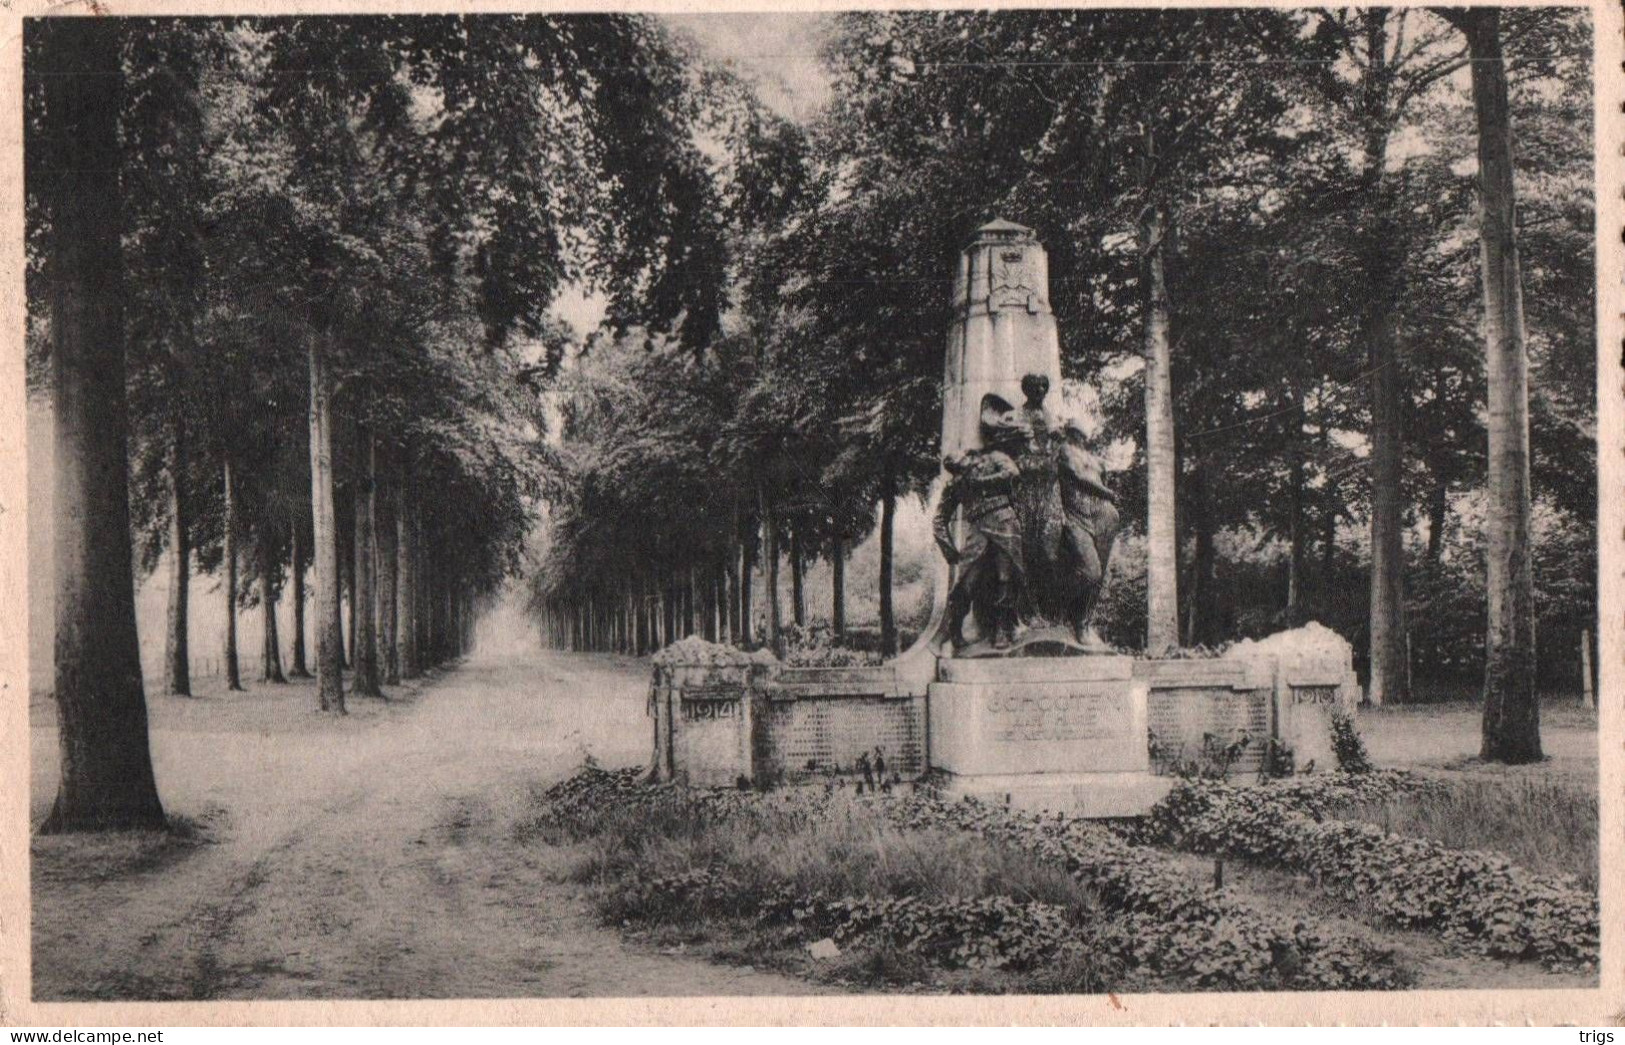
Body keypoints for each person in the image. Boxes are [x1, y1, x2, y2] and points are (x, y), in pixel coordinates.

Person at [933, 445, 1024, 650]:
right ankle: (955, 628)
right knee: (966, 582)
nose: (961, 472)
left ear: (968, 456)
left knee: (1005, 578)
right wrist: (949, 550)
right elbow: (939, 520)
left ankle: (1002, 629)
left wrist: (981, 481)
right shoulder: (955, 485)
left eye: (962, 466)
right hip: (978, 530)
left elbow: (1013, 472)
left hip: (1004, 522)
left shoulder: (994, 458)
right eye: (955, 470)